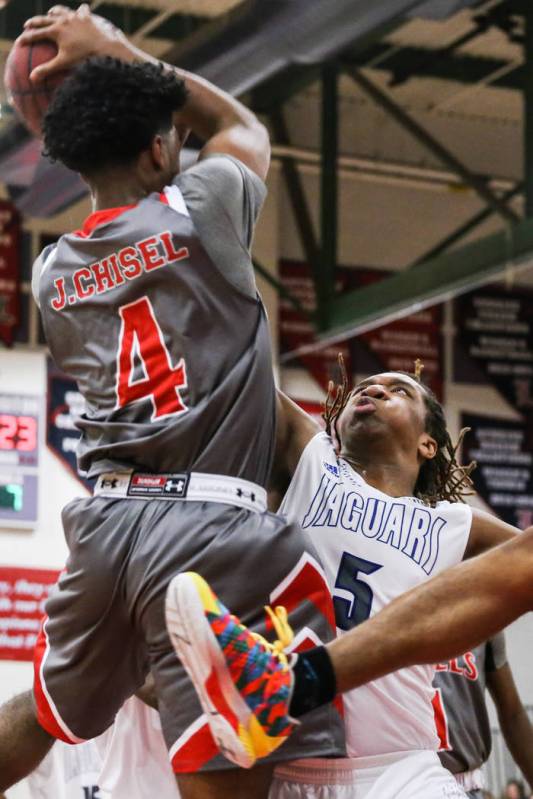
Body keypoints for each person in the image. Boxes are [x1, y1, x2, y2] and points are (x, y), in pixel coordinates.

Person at [0, 5, 344, 796]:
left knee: (48, 710)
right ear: (161, 148)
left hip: (106, 525)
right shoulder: (205, 204)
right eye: (175, 141)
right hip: (212, 526)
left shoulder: (52, 271)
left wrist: (84, 101)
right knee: (234, 740)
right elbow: (238, 121)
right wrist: (116, 51)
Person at [166, 366, 521, 797]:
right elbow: (240, 372)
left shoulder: (451, 523)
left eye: (398, 391)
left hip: (403, 768)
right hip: (290, 769)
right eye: (364, 387)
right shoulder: (311, 462)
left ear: (428, 443)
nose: (373, 388)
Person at [433, 634, 533, 799]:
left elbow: (513, 713)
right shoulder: (382, 614)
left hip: (466, 785)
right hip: (403, 782)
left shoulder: (483, 617)